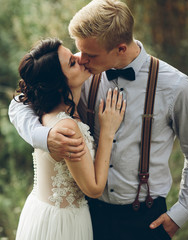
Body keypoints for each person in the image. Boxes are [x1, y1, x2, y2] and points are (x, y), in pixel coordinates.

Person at [9, 0, 188, 239]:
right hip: (89, 217)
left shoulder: (176, 88)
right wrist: (45, 136)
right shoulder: (79, 76)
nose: (82, 59)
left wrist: (182, 211)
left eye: (90, 54)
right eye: (79, 50)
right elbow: (20, 102)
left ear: (120, 49)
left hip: (145, 220)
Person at [13, 38, 125, 240]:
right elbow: (93, 188)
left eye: (72, 54)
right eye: (72, 63)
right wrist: (108, 131)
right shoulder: (66, 128)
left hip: (42, 212)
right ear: (58, 84)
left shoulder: (46, 112)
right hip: (63, 224)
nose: (81, 59)